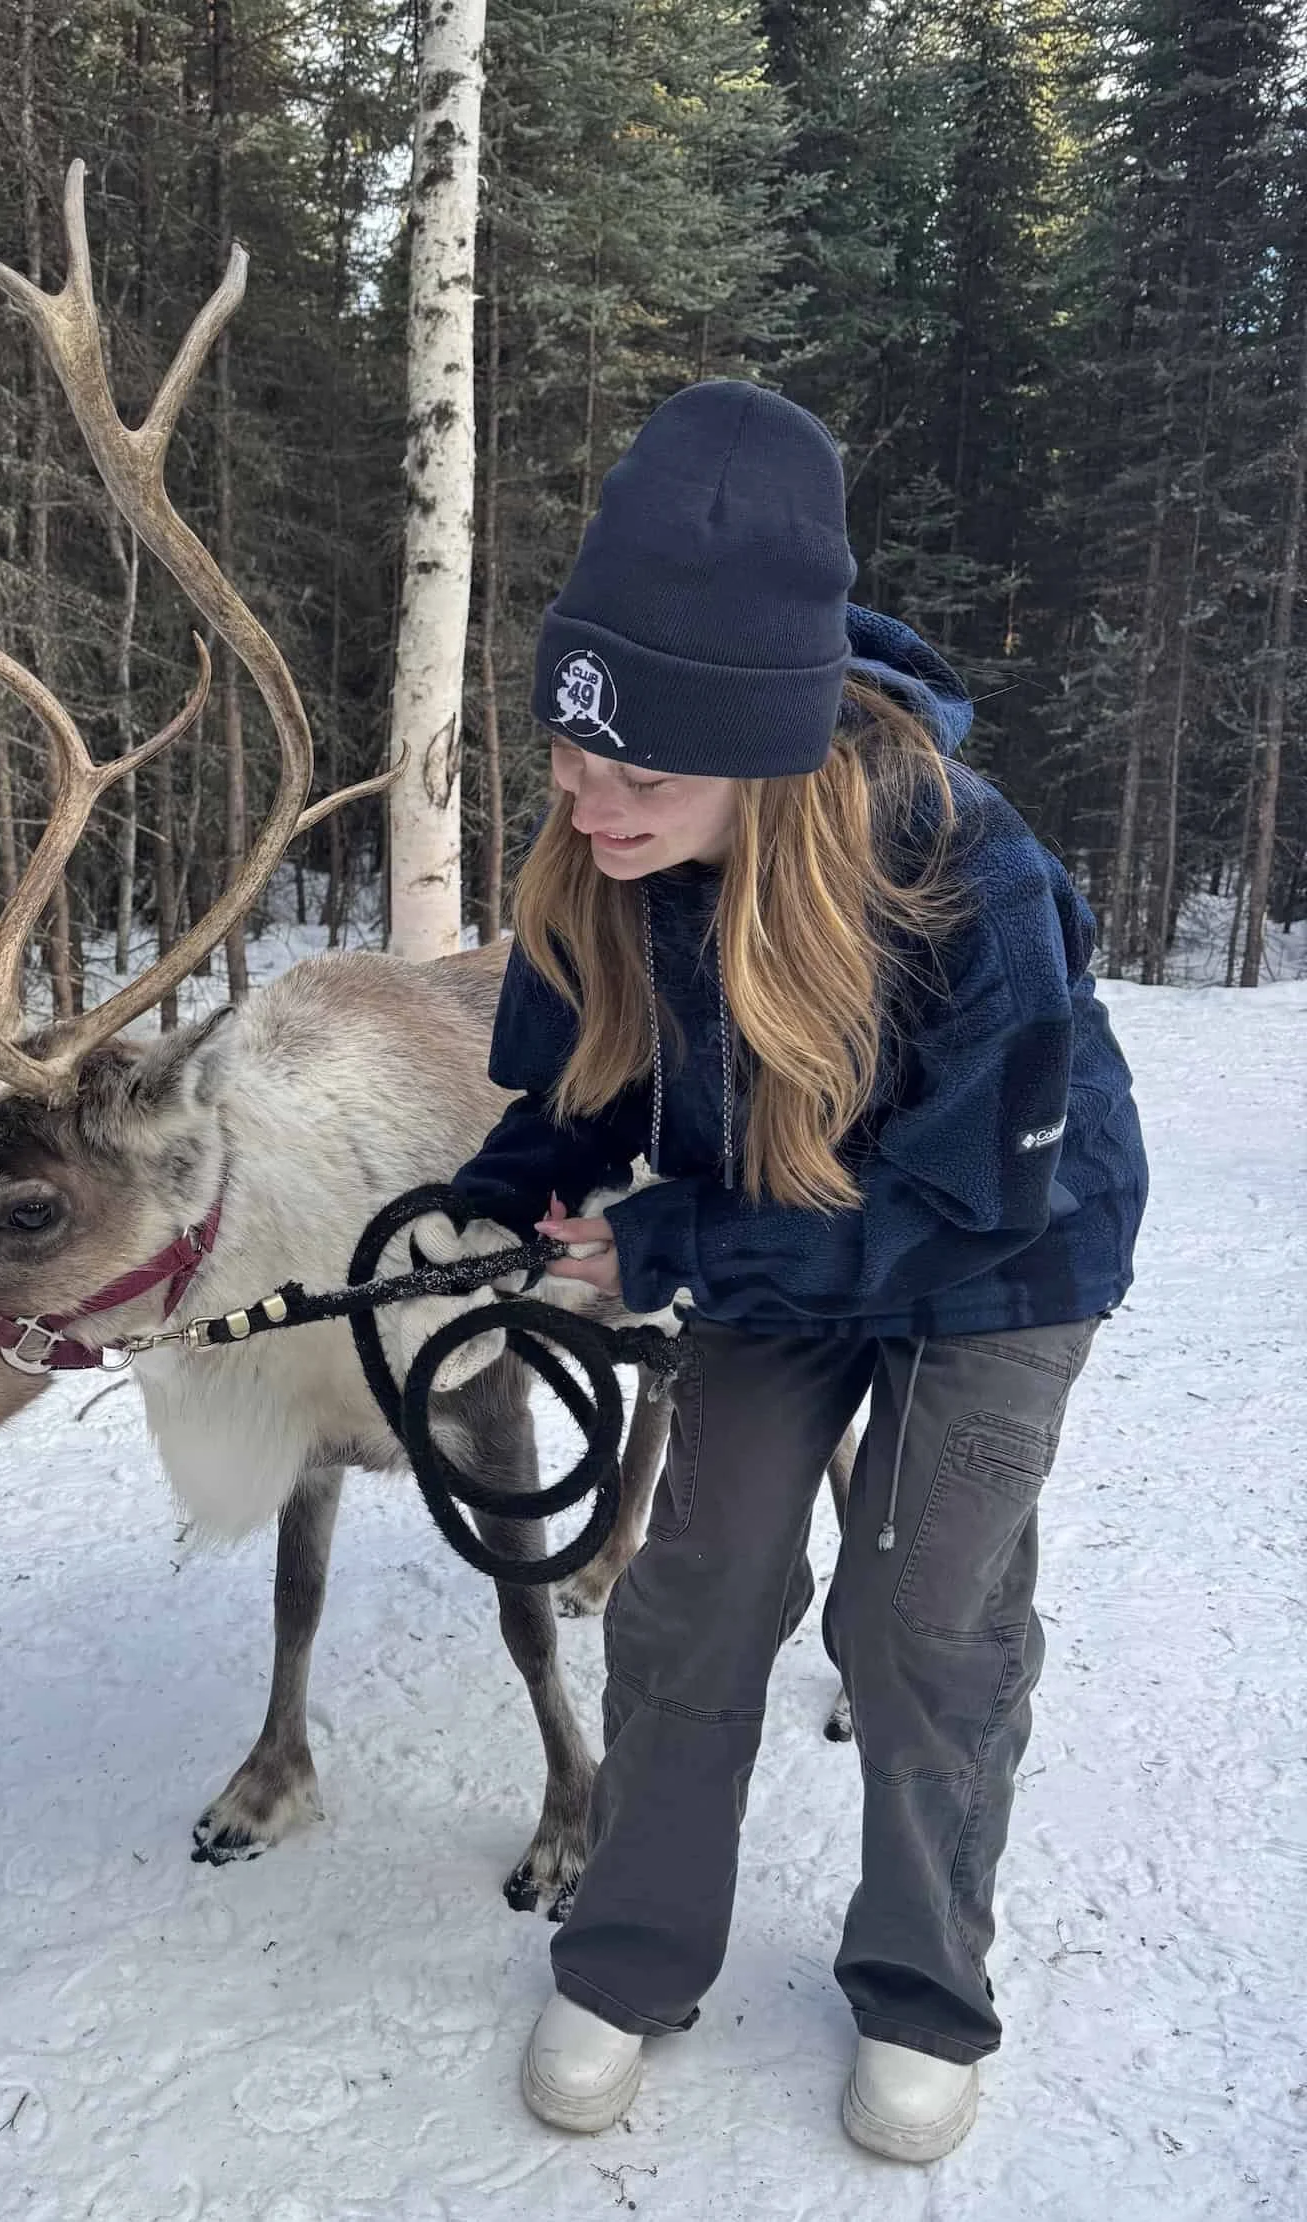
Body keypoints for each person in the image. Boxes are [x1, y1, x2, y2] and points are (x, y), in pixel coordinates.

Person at [400, 381, 1148, 2164]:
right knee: (703, 1578)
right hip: (770, 1211)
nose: (588, 806)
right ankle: (636, 1950)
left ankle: (923, 1986)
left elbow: (961, 1210)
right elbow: (580, 1084)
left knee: (918, 1619)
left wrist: (663, 1242)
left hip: (1000, 1259)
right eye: (569, 761)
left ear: (767, 748)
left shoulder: (974, 878)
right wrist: (516, 1190)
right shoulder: (611, 854)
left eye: (636, 770)